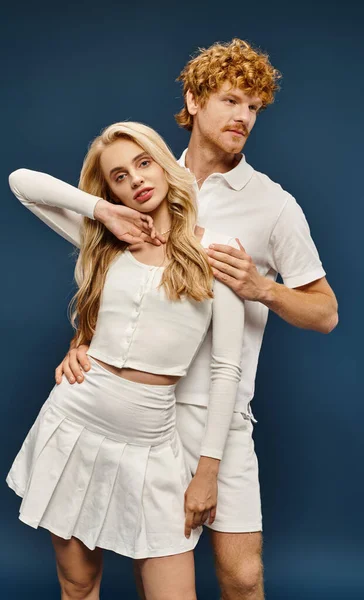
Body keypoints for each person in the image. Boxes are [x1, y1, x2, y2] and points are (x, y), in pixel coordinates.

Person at [56, 39, 339, 600]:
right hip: (142, 412)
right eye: (232, 100)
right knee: (156, 567)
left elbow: (325, 312)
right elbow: (119, 281)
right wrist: (83, 339)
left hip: (221, 411)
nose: (244, 117)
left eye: (254, 107)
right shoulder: (147, 179)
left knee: (242, 575)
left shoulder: (273, 204)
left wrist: (262, 289)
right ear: (194, 99)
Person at [6, 121, 245, 600]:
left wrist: (207, 471)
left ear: (163, 165)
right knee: (78, 585)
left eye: (143, 163)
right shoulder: (105, 240)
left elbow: (226, 370)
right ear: (110, 189)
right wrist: (102, 212)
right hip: (75, 422)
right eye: (118, 176)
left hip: (152, 444)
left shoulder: (216, 254)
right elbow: (21, 182)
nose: (135, 179)